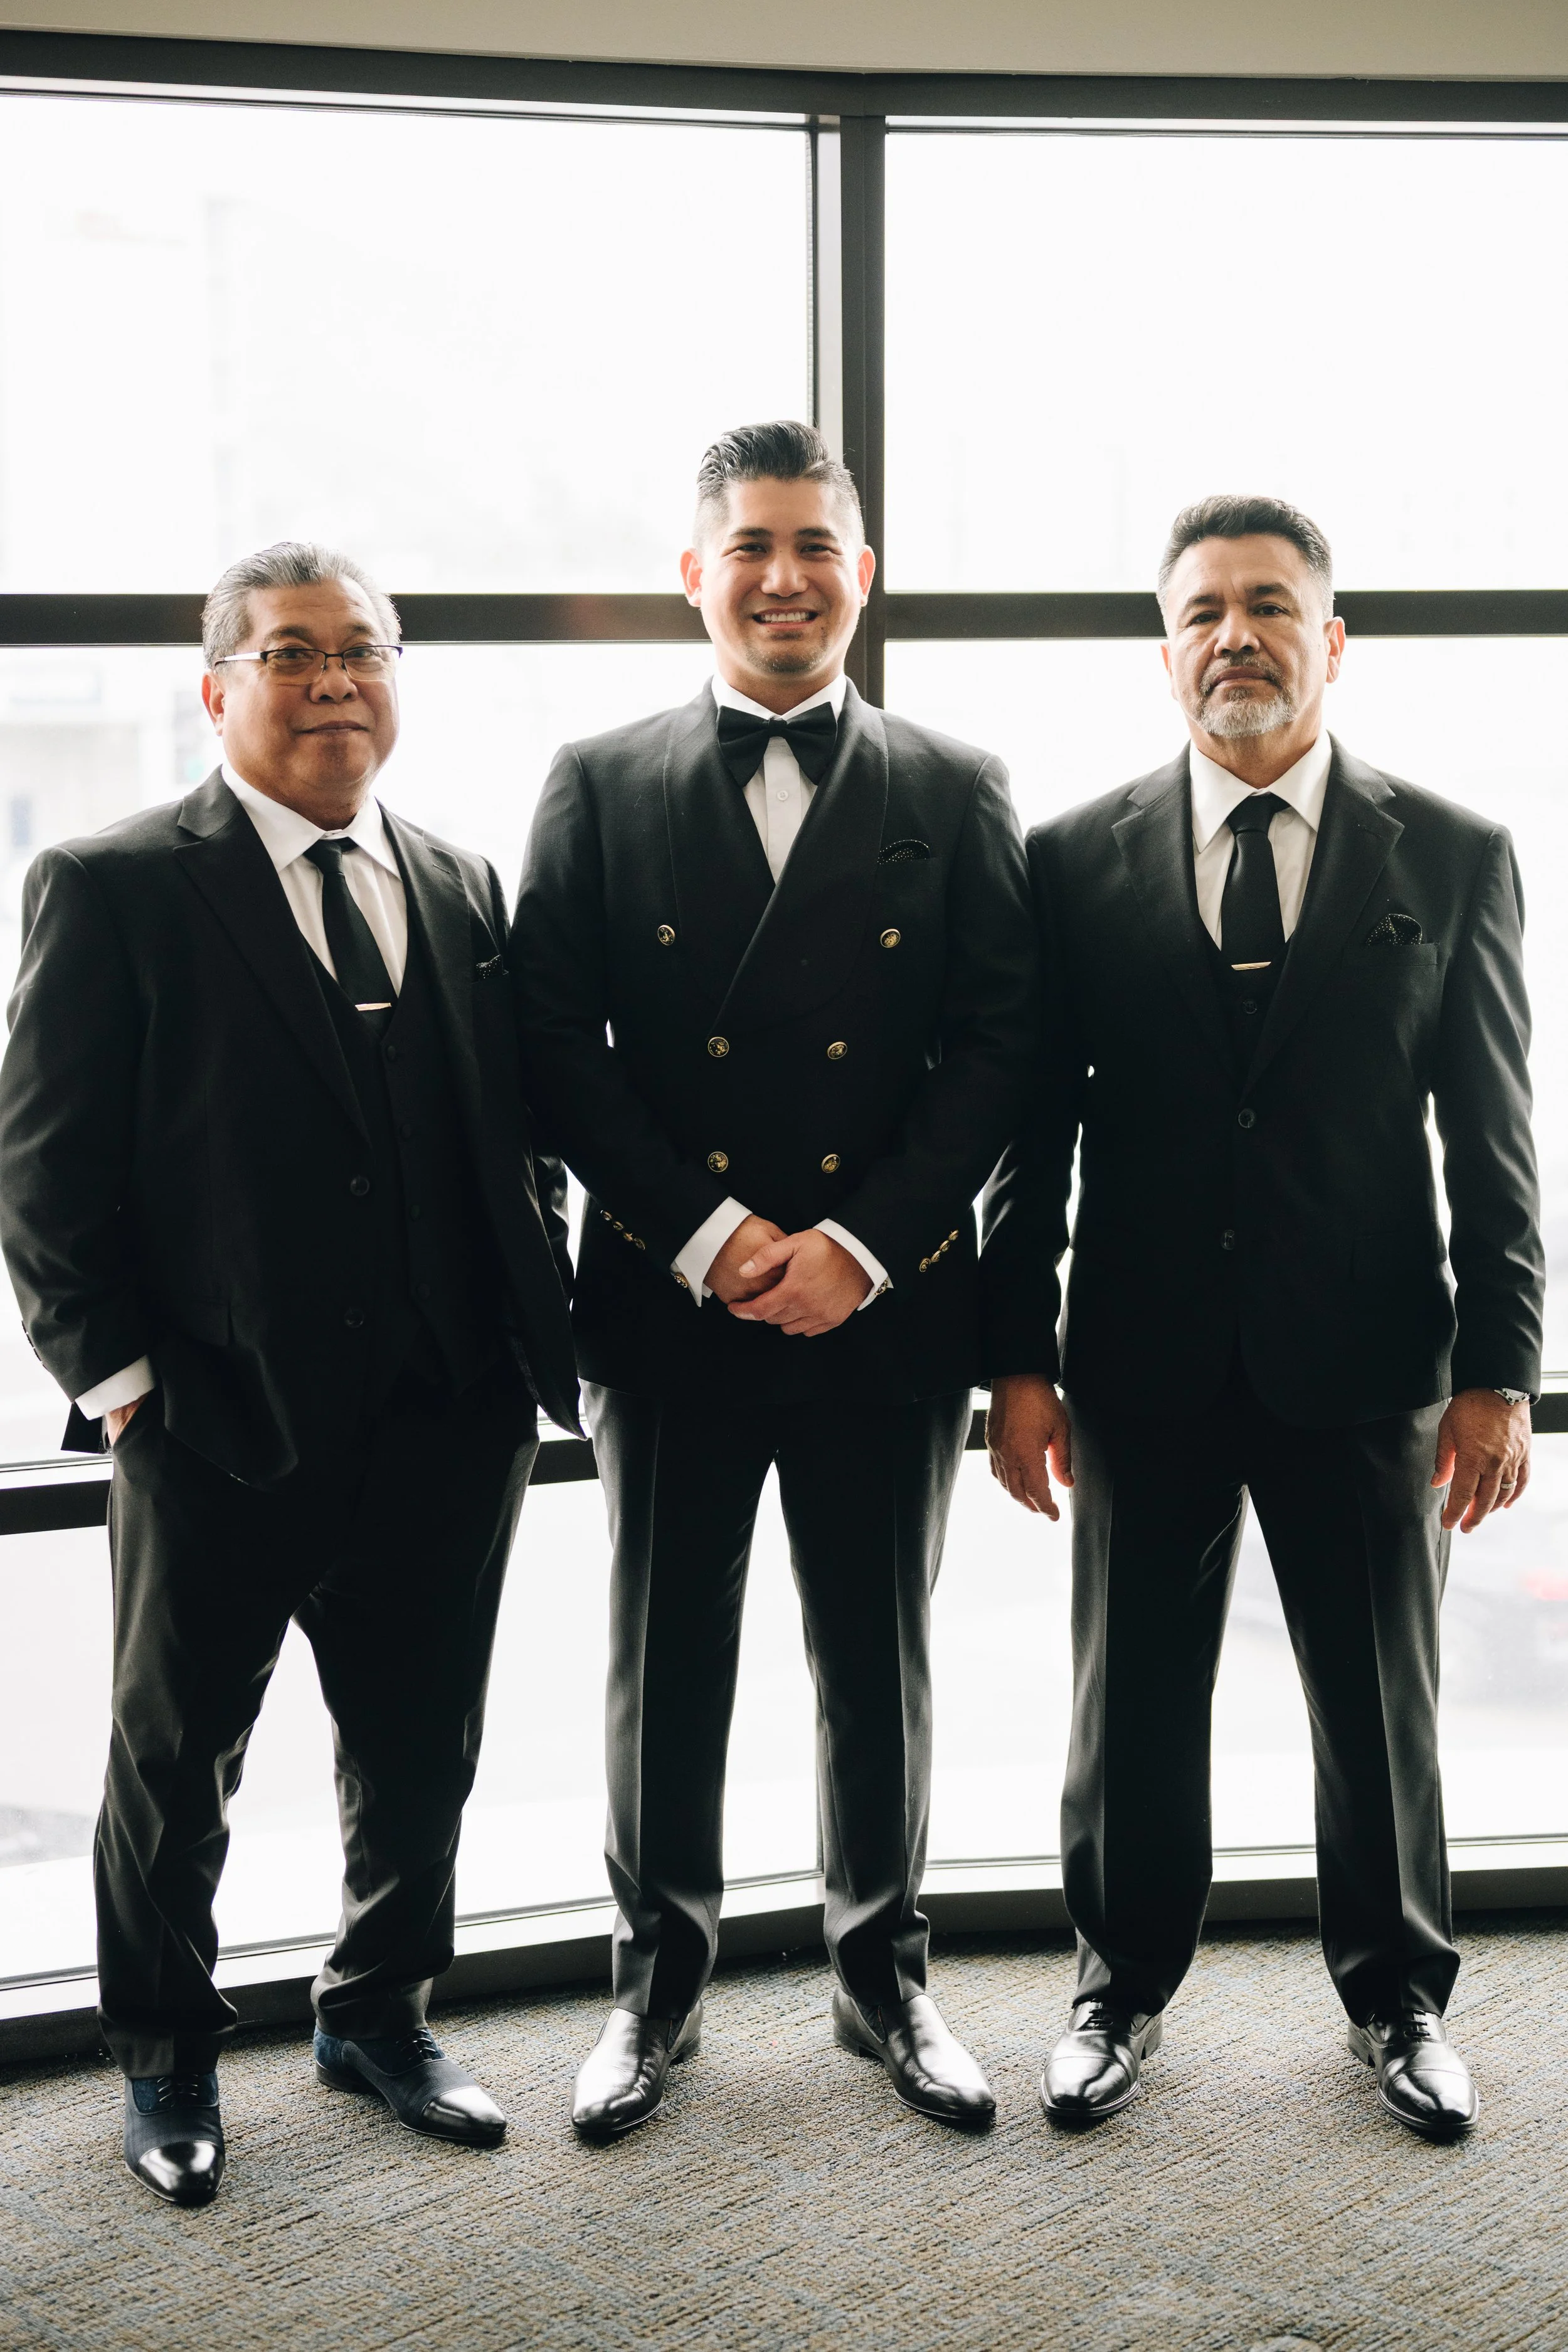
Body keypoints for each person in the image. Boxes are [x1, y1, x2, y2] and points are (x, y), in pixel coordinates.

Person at [0, 543, 580, 2206]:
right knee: (175, 1765)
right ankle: (165, 2055)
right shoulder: (113, 884)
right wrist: (122, 1385)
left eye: (364, 649)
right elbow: (42, 1171)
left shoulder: (459, 881)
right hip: (214, 1427)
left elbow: (510, 1142)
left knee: (421, 1750)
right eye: (291, 651)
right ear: (217, 687)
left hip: (447, 1417)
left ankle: (379, 2014)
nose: (335, 678)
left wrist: (517, 1336)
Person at [983, 494, 1542, 2142]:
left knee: (1380, 1705)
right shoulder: (1068, 861)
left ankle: (1401, 2001)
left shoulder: (1450, 853)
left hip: (1366, 1362)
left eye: (1270, 605)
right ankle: (1114, 1990)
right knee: (1131, 1702)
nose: (1235, 635)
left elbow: (1493, 1141)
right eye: (1203, 611)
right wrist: (1016, 1360)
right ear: (1166, 652)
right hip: (1138, 1361)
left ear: (1330, 639)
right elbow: (1031, 1141)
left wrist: (1500, 1373)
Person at [513, 420, 1037, 2139]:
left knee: (876, 1657)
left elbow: (997, 1048)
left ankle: (884, 1975)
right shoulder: (595, 779)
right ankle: (651, 1988)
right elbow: (551, 1047)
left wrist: (859, 1248)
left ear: (861, 575)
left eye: (816, 546)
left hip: (882, 1305)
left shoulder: (956, 782)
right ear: (696, 572)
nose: (785, 577)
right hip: (672, 1303)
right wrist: (713, 1235)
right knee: (664, 1659)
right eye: (751, 544)